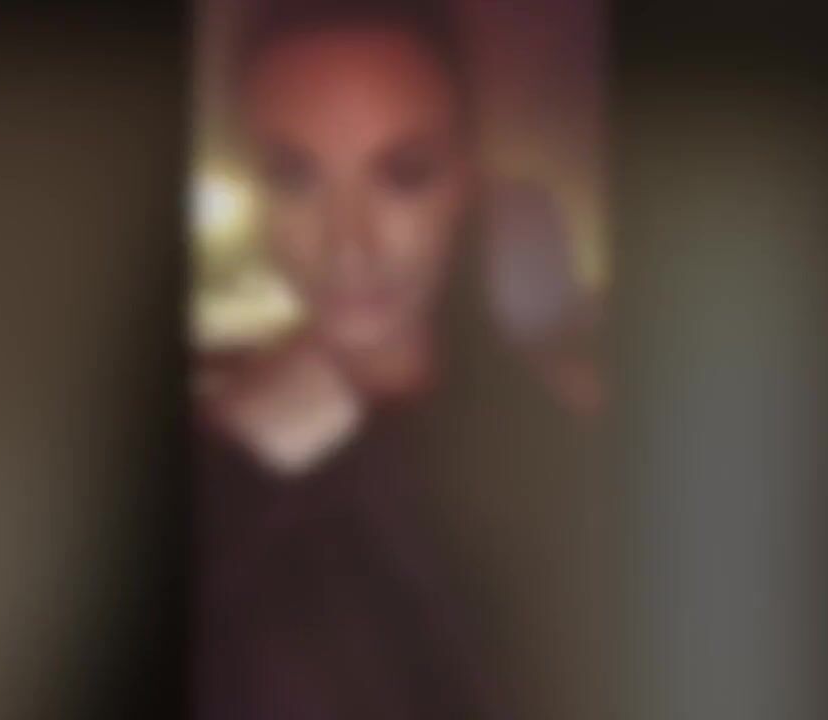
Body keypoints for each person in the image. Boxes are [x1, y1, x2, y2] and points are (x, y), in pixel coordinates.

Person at [192, 1, 602, 717]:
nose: (348, 246)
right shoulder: (215, 478)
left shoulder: (569, 437)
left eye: (404, 175)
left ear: (464, 183)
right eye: (295, 178)